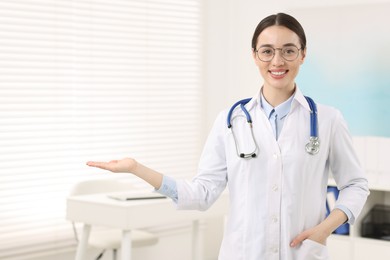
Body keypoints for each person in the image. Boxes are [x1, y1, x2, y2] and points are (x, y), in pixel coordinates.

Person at [87, 13, 369, 260]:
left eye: (288, 51)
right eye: (267, 51)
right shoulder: (230, 120)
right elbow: (202, 194)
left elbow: (355, 184)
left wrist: (324, 229)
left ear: (303, 54)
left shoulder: (327, 120)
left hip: (302, 252)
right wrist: (137, 169)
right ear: (254, 55)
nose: (277, 61)